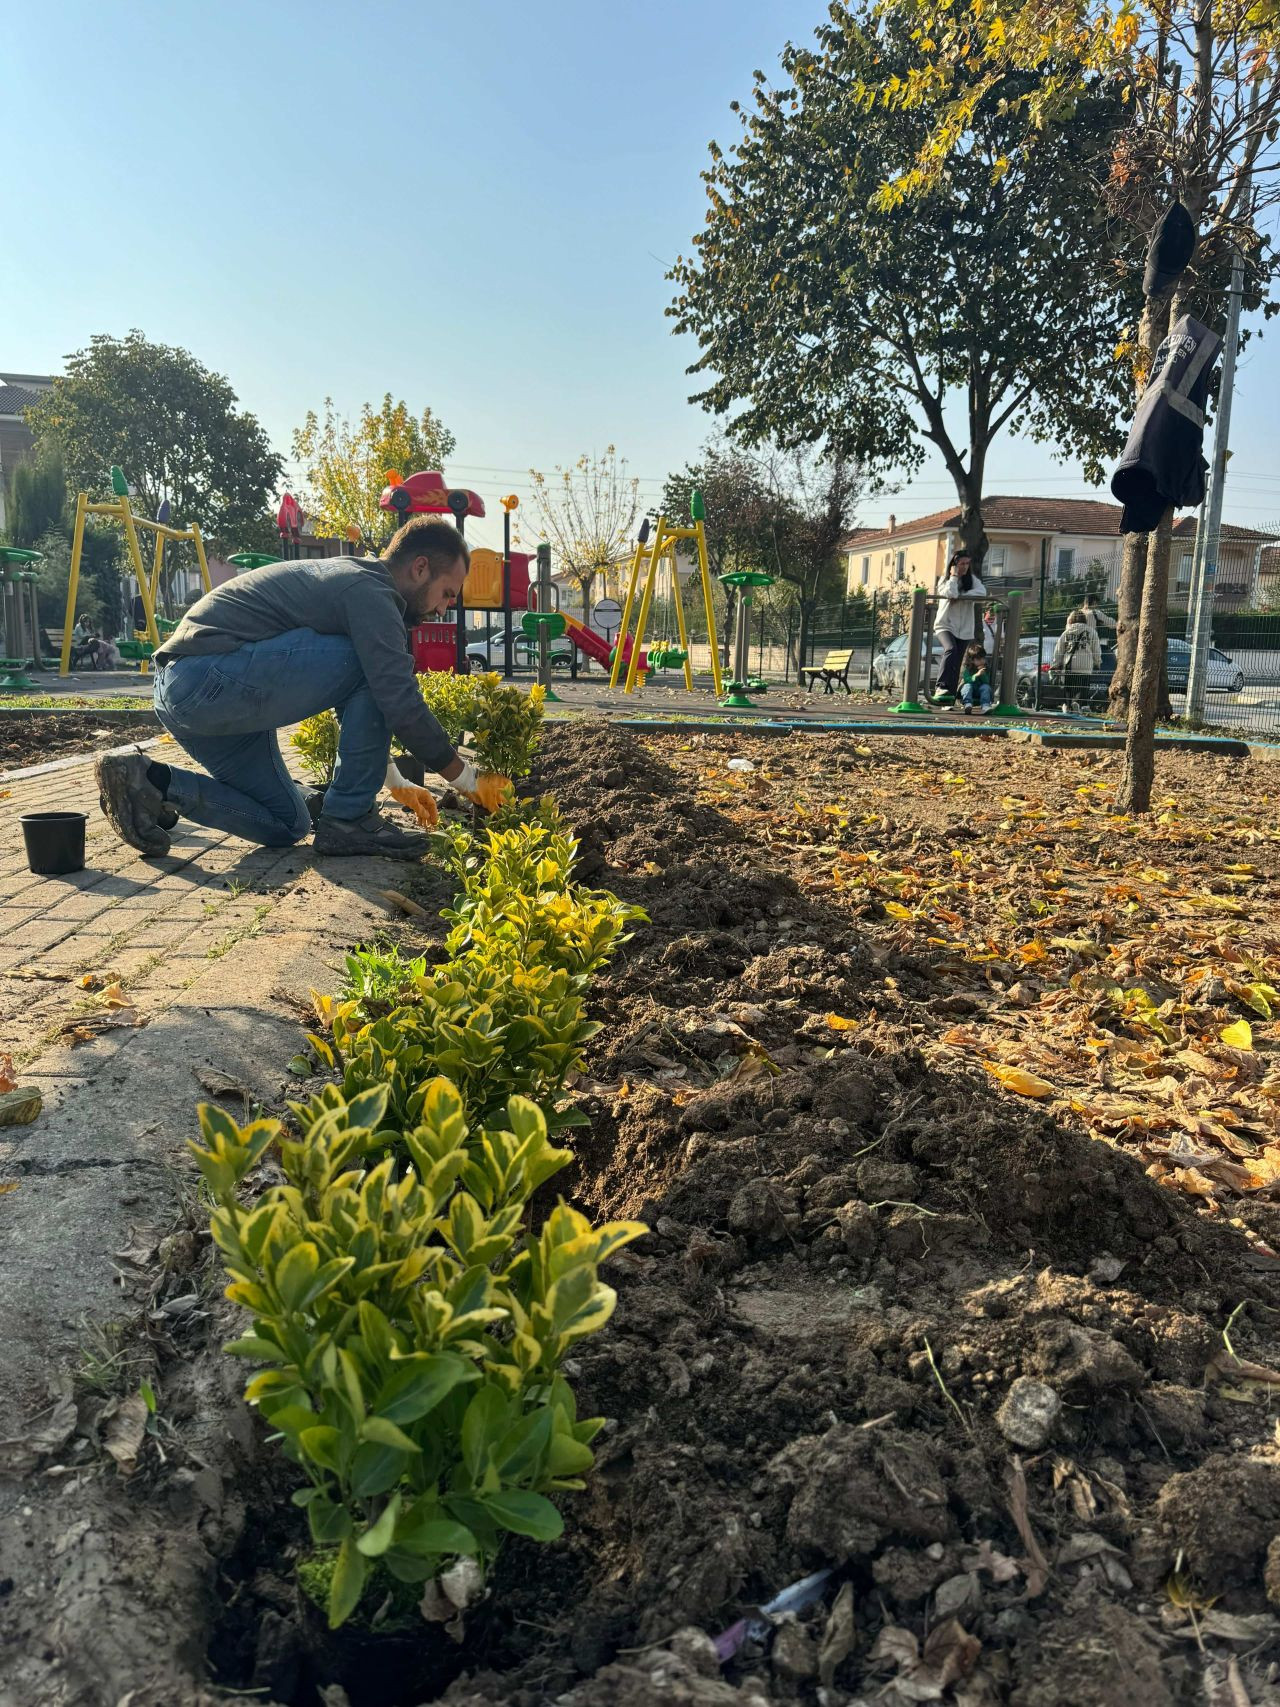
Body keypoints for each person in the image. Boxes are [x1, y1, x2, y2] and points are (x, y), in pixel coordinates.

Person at [94, 516, 503, 861]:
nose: (443, 608)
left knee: (286, 823)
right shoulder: (370, 592)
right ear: (420, 567)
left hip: (196, 695)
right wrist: (469, 781)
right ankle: (350, 819)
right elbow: (395, 696)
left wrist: (394, 780)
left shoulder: (359, 585)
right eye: (447, 593)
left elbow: (357, 699)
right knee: (377, 668)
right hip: (203, 677)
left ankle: (149, 782)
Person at [931, 550, 987, 703]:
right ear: (954, 565)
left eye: (967, 564)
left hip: (964, 629)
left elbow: (982, 593)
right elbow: (950, 593)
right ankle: (940, 685)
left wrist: (963, 597)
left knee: (957, 661)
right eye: (961, 564)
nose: (965, 567)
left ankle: (949, 697)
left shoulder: (972, 580)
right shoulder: (945, 579)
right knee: (950, 649)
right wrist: (954, 577)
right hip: (945, 625)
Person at [1051, 608, 1102, 703]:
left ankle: (1069, 704)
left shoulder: (1066, 633)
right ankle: (1079, 704)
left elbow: (1058, 650)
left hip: (1070, 665)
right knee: (1083, 689)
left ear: (1070, 620)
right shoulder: (1092, 632)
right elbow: (1096, 650)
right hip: (1086, 666)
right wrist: (1097, 662)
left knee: (1069, 690)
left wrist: (1056, 664)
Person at [958, 642, 991, 714]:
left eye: (983, 658)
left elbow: (986, 682)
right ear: (972, 660)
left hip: (980, 691)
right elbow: (966, 680)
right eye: (979, 659)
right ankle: (967, 704)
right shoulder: (968, 669)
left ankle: (985, 705)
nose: (982, 660)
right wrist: (976, 675)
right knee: (967, 686)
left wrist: (982, 674)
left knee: (986, 687)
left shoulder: (986, 669)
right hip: (970, 691)